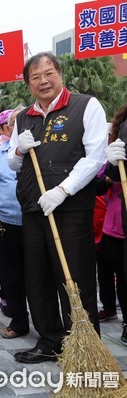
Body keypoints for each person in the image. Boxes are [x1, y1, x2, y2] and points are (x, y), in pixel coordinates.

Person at [8, 52, 107, 363]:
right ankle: (50, 339)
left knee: (75, 275)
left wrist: (63, 190)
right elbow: (12, 162)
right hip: (34, 208)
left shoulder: (85, 105)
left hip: (71, 208)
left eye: (49, 73)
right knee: (37, 276)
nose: (43, 81)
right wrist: (20, 151)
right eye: (35, 77)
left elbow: (95, 157)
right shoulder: (23, 117)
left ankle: (83, 342)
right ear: (28, 84)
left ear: (60, 74)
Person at [0, 107, 30, 339]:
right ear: (6, 128)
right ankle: (19, 321)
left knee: (37, 276)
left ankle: (47, 323)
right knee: (10, 275)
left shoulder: (38, 151)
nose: (17, 126)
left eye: (22, 121)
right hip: (4, 223)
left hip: (35, 223)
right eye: (13, 122)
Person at [99, 103, 127, 344]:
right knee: (122, 277)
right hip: (116, 230)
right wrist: (112, 165)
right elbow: (99, 185)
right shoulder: (114, 153)